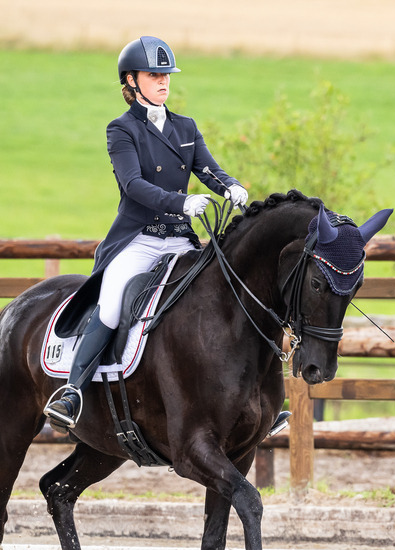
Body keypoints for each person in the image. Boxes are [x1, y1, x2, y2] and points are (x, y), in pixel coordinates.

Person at [44, 36, 249, 432]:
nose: (163, 82)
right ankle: (72, 392)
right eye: (154, 75)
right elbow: (133, 184)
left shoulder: (185, 127)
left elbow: (208, 170)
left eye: (166, 75)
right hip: (140, 239)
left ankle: (246, 396)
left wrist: (231, 187)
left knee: (227, 294)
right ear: (131, 81)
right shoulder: (121, 130)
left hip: (179, 241)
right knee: (112, 303)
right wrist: (181, 203)